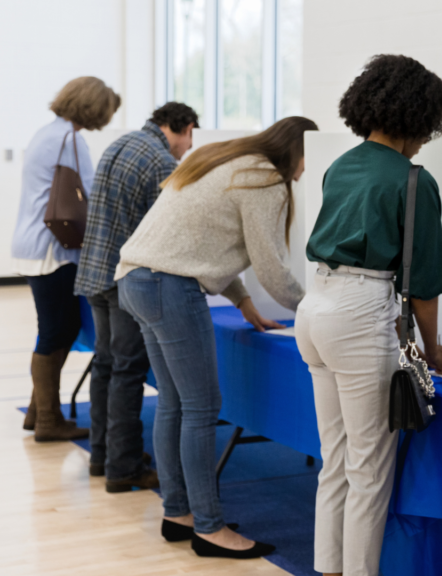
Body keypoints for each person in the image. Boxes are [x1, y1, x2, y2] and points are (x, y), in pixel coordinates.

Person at [114, 116, 316, 559]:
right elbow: (270, 266)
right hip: (170, 287)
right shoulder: (265, 178)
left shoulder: (225, 159)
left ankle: (179, 513)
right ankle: (209, 527)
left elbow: (202, 240)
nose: (306, 172)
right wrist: (317, 308)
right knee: (203, 408)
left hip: (137, 279)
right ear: (298, 151)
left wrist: (244, 303)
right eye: (309, 160)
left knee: (174, 403)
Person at [296, 54, 442, 576]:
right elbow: (425, 289)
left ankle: (330, 569)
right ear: (419, 116)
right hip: (360, 311)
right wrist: (433, 353)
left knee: (335, 460)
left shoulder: (341, 164)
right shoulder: (413, 181)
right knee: (369, 468)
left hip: (315, 306)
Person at [73, 102, 199, 493]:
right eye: (191, 135)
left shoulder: (120, 143)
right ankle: (123, 468)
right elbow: (164, 234)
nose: (190, 147)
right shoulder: (161, 162)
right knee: (127, 371)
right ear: (179, 127)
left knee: (106, 365)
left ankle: (102, 455)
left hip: (94, 269)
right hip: (125, 277)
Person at [13, 76, 121, 442]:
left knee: (60, 328)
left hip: (33, 244)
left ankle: (38, 412)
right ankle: (47, 420)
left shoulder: (47, 133)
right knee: (55, 331)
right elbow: (93, 193)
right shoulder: (70, 139)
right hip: (53, 251)